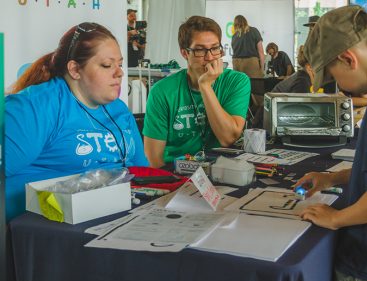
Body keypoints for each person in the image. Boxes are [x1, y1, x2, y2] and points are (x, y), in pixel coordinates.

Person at [296, 5, 367, 281]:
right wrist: (332, 178)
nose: (342, 90)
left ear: (347, 58)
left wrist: (336, 218)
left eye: (335, 78)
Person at [6, 22, 148, 221]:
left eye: (120, 64)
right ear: (74, 69)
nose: (119, 73)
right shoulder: (36, 107)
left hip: (114, 214)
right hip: (44, 225)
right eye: (107, 65)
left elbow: (143, 171)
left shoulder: (119, 109)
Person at [143, 16, 250, 168]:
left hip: (222, 170)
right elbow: (154, 159)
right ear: (185, 53)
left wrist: (205, 86)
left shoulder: (237, 81)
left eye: (215, 48)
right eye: (200, 50)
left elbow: (228, 137)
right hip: (175, 172)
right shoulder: (162, 91)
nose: (210, 57)